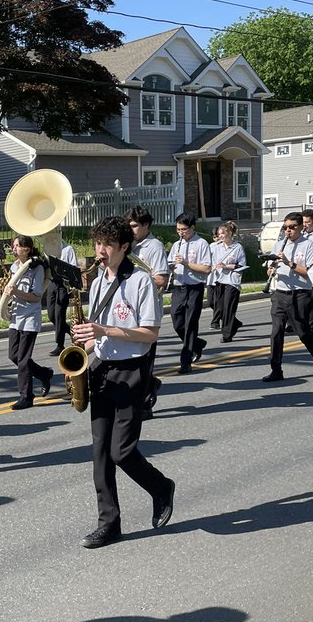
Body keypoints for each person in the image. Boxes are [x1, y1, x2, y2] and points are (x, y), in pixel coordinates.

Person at [71, 216, 174, 549]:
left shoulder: (142, 282)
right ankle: (109, 523)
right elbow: (96, 334)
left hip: (131, 371)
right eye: (98, 244)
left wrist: (103, 330)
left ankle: (161, 488)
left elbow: (149, 334)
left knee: (121, 451)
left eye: (107, 246)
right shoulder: (100, 278)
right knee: (100, 453)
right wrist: (78, 352)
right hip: (101, 368)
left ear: (124, 247)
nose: (100, 252)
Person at [262, 212, 313, 382]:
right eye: (285, 227)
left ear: (301, 227)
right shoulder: (279, 245)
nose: (288, 231)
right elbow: (271, 266)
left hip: (300, 293)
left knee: (303, 332)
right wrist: (271, 269)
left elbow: (310, 273)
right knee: (276, 332)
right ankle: (276, 369)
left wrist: (289, 263)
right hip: (280, 293)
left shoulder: (309, 245)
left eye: (292, 227)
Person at [1, 235, 54, 410]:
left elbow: (36, 296)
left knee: (23, 360)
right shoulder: (14, 266)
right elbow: (12, 290)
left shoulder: (36, 268)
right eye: (13, 245)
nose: (14, 248)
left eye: (17, 245)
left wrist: (16, 292)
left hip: (30, 317)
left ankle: (26, 396)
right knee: (13, 355)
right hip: (16, 316)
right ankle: (44, 373)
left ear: (27, 249)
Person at [127, 207, 168, 418]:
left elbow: (161, 279)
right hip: (129, 312)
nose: (131, 229)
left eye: (135, 225)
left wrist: (138, 284)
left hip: (148, 312)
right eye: (130, 225)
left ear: (146, 225)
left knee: (145, 360)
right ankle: (149, 384)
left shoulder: (155, 246)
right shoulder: (129, 246)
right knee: (133, 360)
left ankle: (145, 405)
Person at [168, 213, 212, 374]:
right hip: (179, 287)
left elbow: (207, 269)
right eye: (178, 229)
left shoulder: (202, 244)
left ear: (192, 227)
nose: (180, 233)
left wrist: (186, 263)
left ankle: (185, 361)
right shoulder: (176, 245)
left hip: (195, 287)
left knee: (191, 324)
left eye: (184, 229)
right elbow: (170, 264)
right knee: (176, 320)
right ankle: (197, 344)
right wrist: (171, 267)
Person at [209, 222, 247, 343]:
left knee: (228, 308)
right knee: (219, 307)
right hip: (218, 279)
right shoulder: (215, 247)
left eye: (222, 233)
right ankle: (234, 324)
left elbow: (242, 265)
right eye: (218, 234)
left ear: (230, 233)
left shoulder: (238, 247)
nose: (220, 236)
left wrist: (227, 266)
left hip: (232, 281)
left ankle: (227, 334)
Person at [45, 239, 78, 357]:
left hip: (63, 285)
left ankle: (60, 345)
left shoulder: (68, 249)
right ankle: (72, 332)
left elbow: (74, 267)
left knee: (59, 315)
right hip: (52, 283)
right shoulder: (47, 249)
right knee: (51, 315)